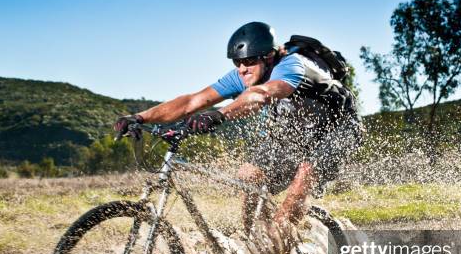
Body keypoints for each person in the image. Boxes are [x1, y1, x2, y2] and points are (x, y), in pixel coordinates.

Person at [114, 21, 362, 230]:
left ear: (268, 56)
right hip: (294, 132)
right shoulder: (243, 75)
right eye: (237, 62)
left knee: (305, 176)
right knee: (249, 176)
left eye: (250, 61)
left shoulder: (291, 65)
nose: (242, 68)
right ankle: (253, 240)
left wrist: (219, 115)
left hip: (338, 128)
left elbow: (263, 94)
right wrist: (140, 117)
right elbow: (193, 101)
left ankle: (280, 251)